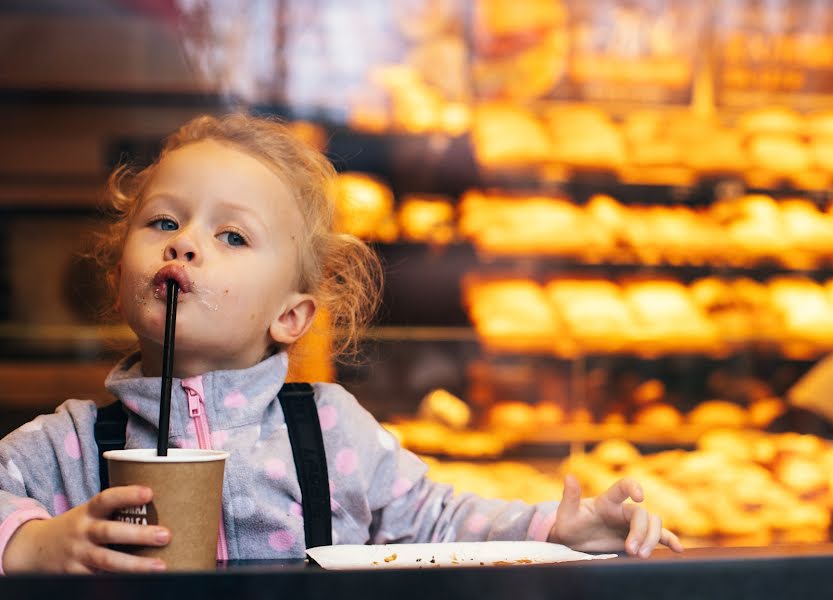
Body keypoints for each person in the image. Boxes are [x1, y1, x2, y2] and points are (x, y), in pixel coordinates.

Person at [0, 114, 682, 574]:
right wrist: (35, 543)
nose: (185, 241)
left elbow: (436, 519)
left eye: (231, 235)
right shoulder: (65, 445)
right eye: (164, 221)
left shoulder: (327, 430)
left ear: (292, 317)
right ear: (119, 268)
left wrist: (555, 531)